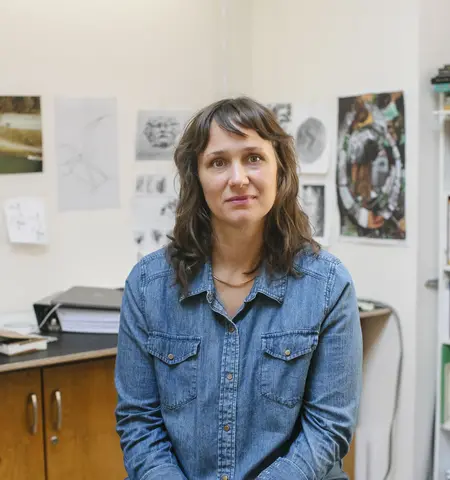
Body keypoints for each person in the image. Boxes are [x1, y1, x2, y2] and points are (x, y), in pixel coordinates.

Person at [115, 97, 363, 480]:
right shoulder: (148, 286)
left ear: (279, 169)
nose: (238, 178)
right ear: (196, 177)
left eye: (253, 158)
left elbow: (327, 427)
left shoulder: (327, 285)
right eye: (218, 162)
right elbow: (139, 423)